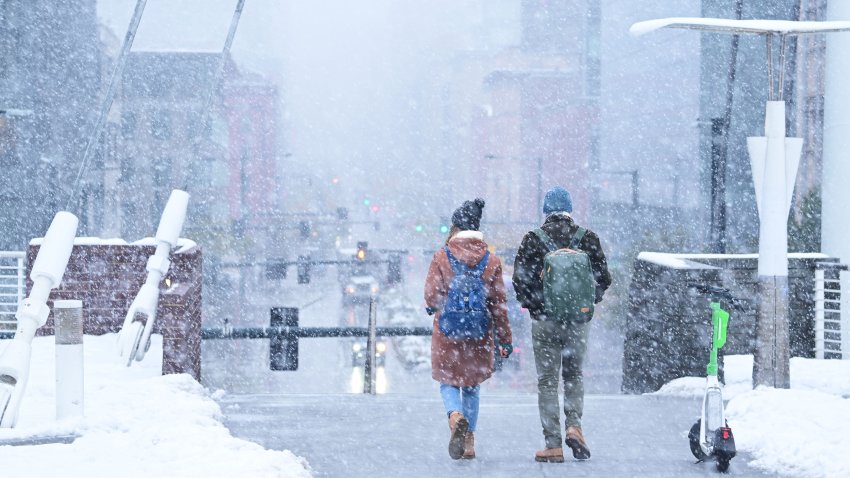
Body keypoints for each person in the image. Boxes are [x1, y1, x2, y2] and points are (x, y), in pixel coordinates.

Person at [512, 186, 612, 463]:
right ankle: (574, 426)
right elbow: (604, 279)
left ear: (546, 211)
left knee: (547, 381)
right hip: (578, 321)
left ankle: (553, 445)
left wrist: (536, 306)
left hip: (544, 322)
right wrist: (586, 304)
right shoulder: (587, 238)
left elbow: (520, 281)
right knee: (573, 376)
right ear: (570, 210)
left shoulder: (533, 239)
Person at [425, 198, 513, 460]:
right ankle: (469, 442)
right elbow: (499, 305)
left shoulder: (442, 255)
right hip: (479, 335)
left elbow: (431, 297)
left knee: (448, 382)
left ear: (455, 227)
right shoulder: (491, 261)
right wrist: (505, 340)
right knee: (472, 387)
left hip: (448, 333)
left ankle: (454, 417)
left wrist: (437, 306)